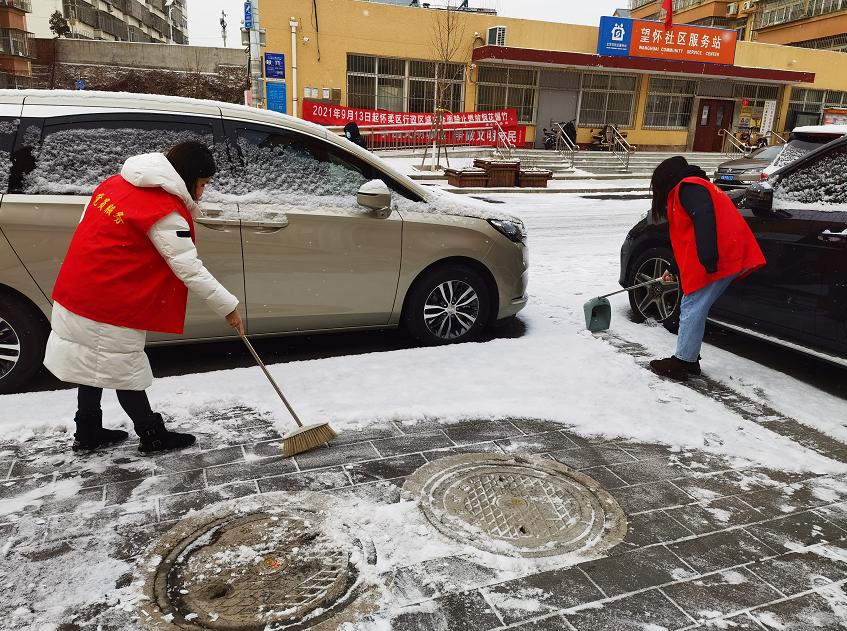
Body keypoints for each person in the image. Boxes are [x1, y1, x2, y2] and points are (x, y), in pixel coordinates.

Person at [44, 142, 244, 453]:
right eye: (202, 184)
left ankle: (88, 430)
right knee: (127, 370)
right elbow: (189, 268)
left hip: (77, 289)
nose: (202, 194)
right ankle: (152, 435)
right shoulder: (162, 210)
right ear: (189, 176)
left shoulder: (116, 184)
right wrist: (228, 307)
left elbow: (88, 227)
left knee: (91, 361)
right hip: (110, 302)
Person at [647, 156, 765, 381]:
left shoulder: (689, 187)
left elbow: (704, 219)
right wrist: (674, 267)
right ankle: (688, 360)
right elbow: (687, 237)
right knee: (694, 306)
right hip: (722, 254)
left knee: (692, 306)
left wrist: (708, 258)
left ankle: (683, 362)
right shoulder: (691, 187)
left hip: (721, 255)